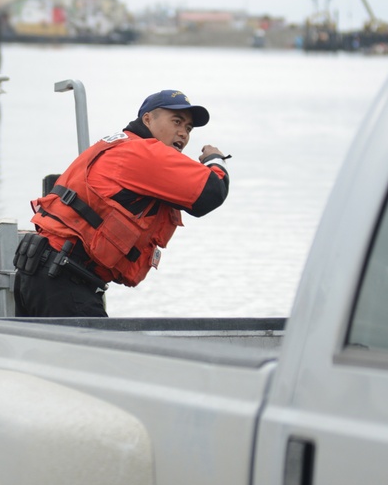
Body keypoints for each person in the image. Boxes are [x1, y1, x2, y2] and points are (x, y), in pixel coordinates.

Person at [13, 89, 230, 318]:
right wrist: (215, 160)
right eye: (176, 121)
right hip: (61, 279)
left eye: (188, 128)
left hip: (42, 273)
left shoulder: (120, 144)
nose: (183, 133)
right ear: (147, 119)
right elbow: (212, 192)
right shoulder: (144, 153)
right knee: (96, 354)